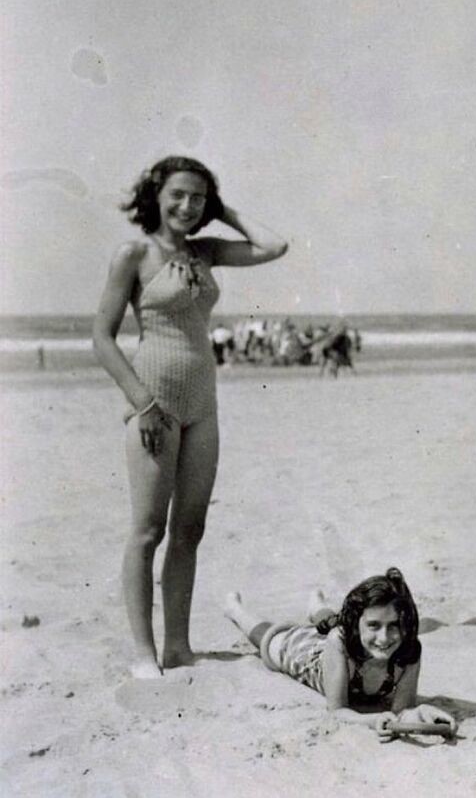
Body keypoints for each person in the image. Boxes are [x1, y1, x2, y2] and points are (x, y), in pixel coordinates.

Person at [93, 156, 288, 679]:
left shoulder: (205, 252)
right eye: (178, 194)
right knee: (147, 530)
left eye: (199, 197)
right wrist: (143, 402)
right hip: (153, 400)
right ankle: (143, 653)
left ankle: (178, 648)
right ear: (156, 195)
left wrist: (224, 210)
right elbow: (101, 338)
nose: (188, 205)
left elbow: (274, 246)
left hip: (204, 402)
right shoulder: (134, 253)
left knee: (191, 528)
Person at [224, 567, 456, 741]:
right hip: (313, 657)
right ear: (357, 624)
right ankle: (235, 610)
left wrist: (422, 713)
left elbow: (401, 711)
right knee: (274, 640)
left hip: (350, 636)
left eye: (394, 625)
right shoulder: (341, 640)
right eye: (374, 625)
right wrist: (372, 720)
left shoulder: (409, 650)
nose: (385, 638)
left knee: (332, 622)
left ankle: (317, 607)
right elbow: (337, 711)